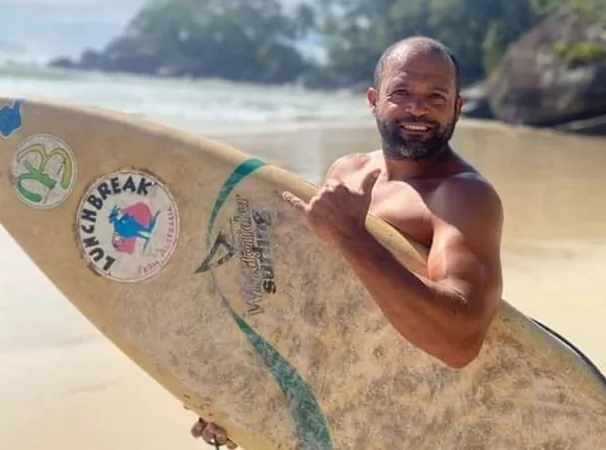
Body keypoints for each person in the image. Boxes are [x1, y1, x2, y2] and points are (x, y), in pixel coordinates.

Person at [190, 36, 505, 448]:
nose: (417, 108)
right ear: (373, 99)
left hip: (406, 423)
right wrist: (244, 396)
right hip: (335, 407)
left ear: (458, 108)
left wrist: (353, 237)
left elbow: (460, 341)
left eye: (436, 96)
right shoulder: (347, 172)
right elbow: (309, 299)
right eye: (402, 93)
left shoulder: (463, 197)